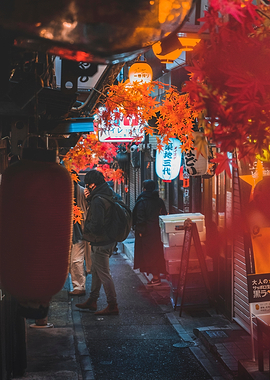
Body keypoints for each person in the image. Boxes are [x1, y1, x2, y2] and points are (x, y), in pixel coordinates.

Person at [75, 170, 119, 315]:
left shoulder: (98, 200)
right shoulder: (108, 193)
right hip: (108, 239)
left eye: (87, 185)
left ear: (92, 184)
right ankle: (92, 300)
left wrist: (87, 229)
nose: (86, 187)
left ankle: (112, 305)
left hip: (100, 242)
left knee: (104, 274)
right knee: (96, 271)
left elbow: (97, 222)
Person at [132, 179, 167, 286]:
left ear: (144, 188)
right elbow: (164, 214)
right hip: (158, 231)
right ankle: (159, 274)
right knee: (157, 253)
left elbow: (140, 218)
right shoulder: (159, 200)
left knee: (149, 256)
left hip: (146, 233)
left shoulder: (142, 201)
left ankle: (156, 279)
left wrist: (140, 231)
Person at [69, 171, 91, 296]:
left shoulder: (83, 192)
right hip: (65, 230)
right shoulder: (61, 193)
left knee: (76, 260)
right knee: (71, 261)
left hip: (79, 231)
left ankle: (79, 286)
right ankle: (78, 283)